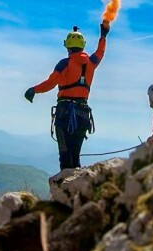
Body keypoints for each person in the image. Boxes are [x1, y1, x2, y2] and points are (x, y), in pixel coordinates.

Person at [25, 21, 109, 170]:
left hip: (65, 114)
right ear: (83, 45)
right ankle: (77, 187)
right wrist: (103, 35)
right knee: (75, 156)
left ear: (67, 46)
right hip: (83, 114)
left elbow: (50, 83)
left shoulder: (64, 63)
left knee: (65, 155)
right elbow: (100, 52)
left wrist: (33, 90)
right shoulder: (91, 63)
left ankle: (65, 187)